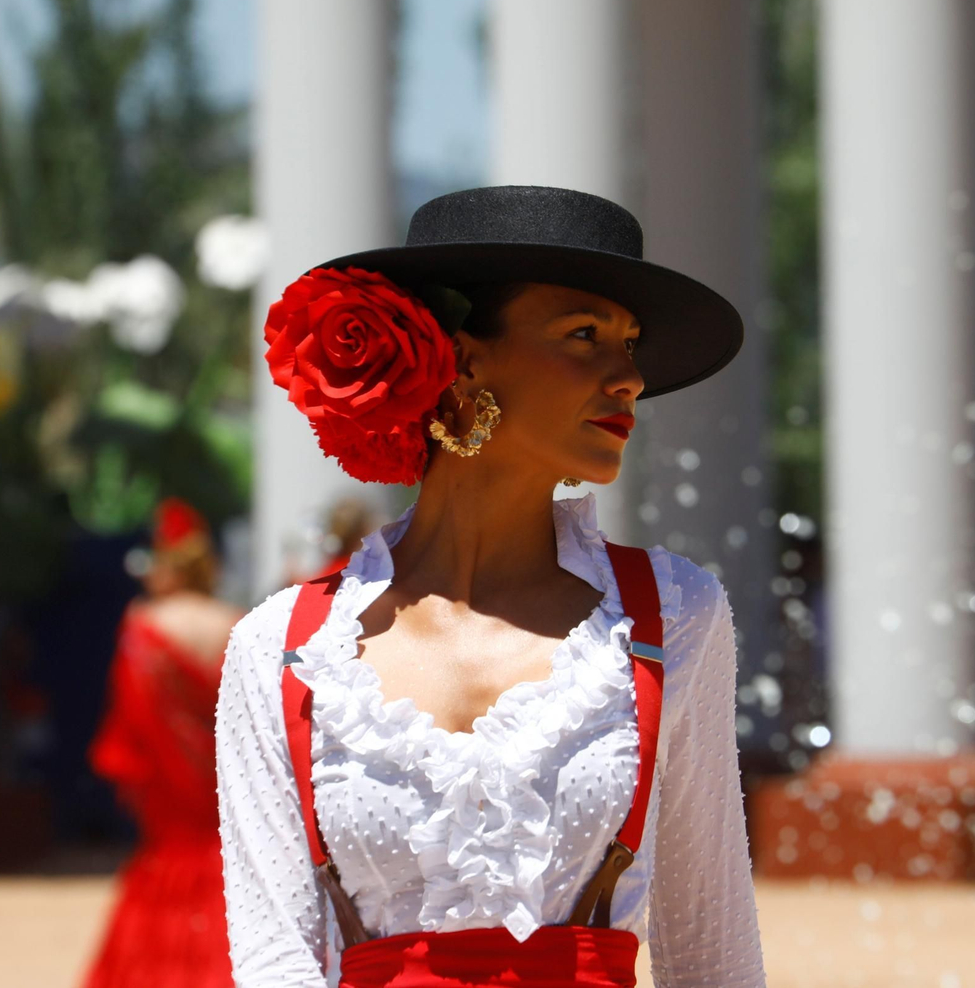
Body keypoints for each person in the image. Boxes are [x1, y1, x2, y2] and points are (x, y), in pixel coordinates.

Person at [217, 185, 766, 986]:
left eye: (630, 343)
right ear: (467, 359)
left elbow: (710, 945)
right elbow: (274, 961)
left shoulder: (674, 614)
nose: (629, 378)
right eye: (585, 334)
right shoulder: (282, 649)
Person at [83, 497, 243, 988]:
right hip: (231, 799)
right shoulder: (238, 622)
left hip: (169, 804)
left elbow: (130, 728)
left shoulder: (143, 628)